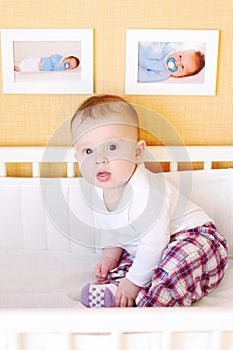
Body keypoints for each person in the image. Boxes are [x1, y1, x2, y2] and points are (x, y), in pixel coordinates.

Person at [70, 94, 228, 308]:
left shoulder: (146, 192)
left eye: (112, 147)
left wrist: (133, 283)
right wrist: (109, 258)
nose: (99, 159)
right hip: (154, 247)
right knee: (127, 266)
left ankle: (147, 303)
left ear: (137, 152)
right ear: (77, 157)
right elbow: (113, 232)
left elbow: (154, 244)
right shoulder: (99, 191)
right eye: (88, 151)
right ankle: (117, 291)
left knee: (172, 267)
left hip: (196, 238)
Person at [138, 42, 205, 82]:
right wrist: (156, 49)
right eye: (180, 57)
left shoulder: (163, 74)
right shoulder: (168, 47)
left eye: (182, 67)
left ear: (179, 76)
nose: (178, 62)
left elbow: (143, 76)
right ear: (178, 51)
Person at [14, 54, 80, 72]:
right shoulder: (59, 57)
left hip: (38, 69)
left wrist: (61, 66)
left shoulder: (61, 68)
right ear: (67, 58)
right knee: (27, 61)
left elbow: (55, 70)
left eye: (72, 66)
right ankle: (19, 66)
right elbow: (52, 57)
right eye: (70, 62)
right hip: (38, 61)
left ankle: (19, 70)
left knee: (29, 70)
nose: (70, 65)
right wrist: (60, 63)